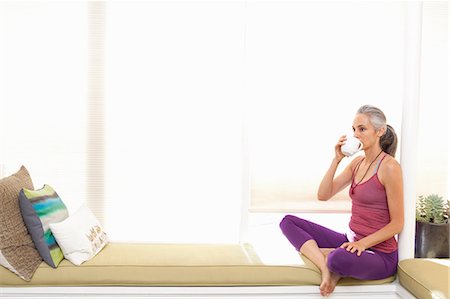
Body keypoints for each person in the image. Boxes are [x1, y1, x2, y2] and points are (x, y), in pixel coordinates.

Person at [279, 105, 404, 297]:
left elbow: (397, 224)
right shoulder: (356, 164)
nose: (356, 134)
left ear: (380, 131)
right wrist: (336, 160)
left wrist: (362, 245)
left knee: (338, 258)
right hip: (351, 242)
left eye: (362, 129)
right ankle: (325, 267)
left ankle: (330, 259)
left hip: (380, 255)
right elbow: (323, 194)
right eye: (354, 129)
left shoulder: (390, 167)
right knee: (288, 222)